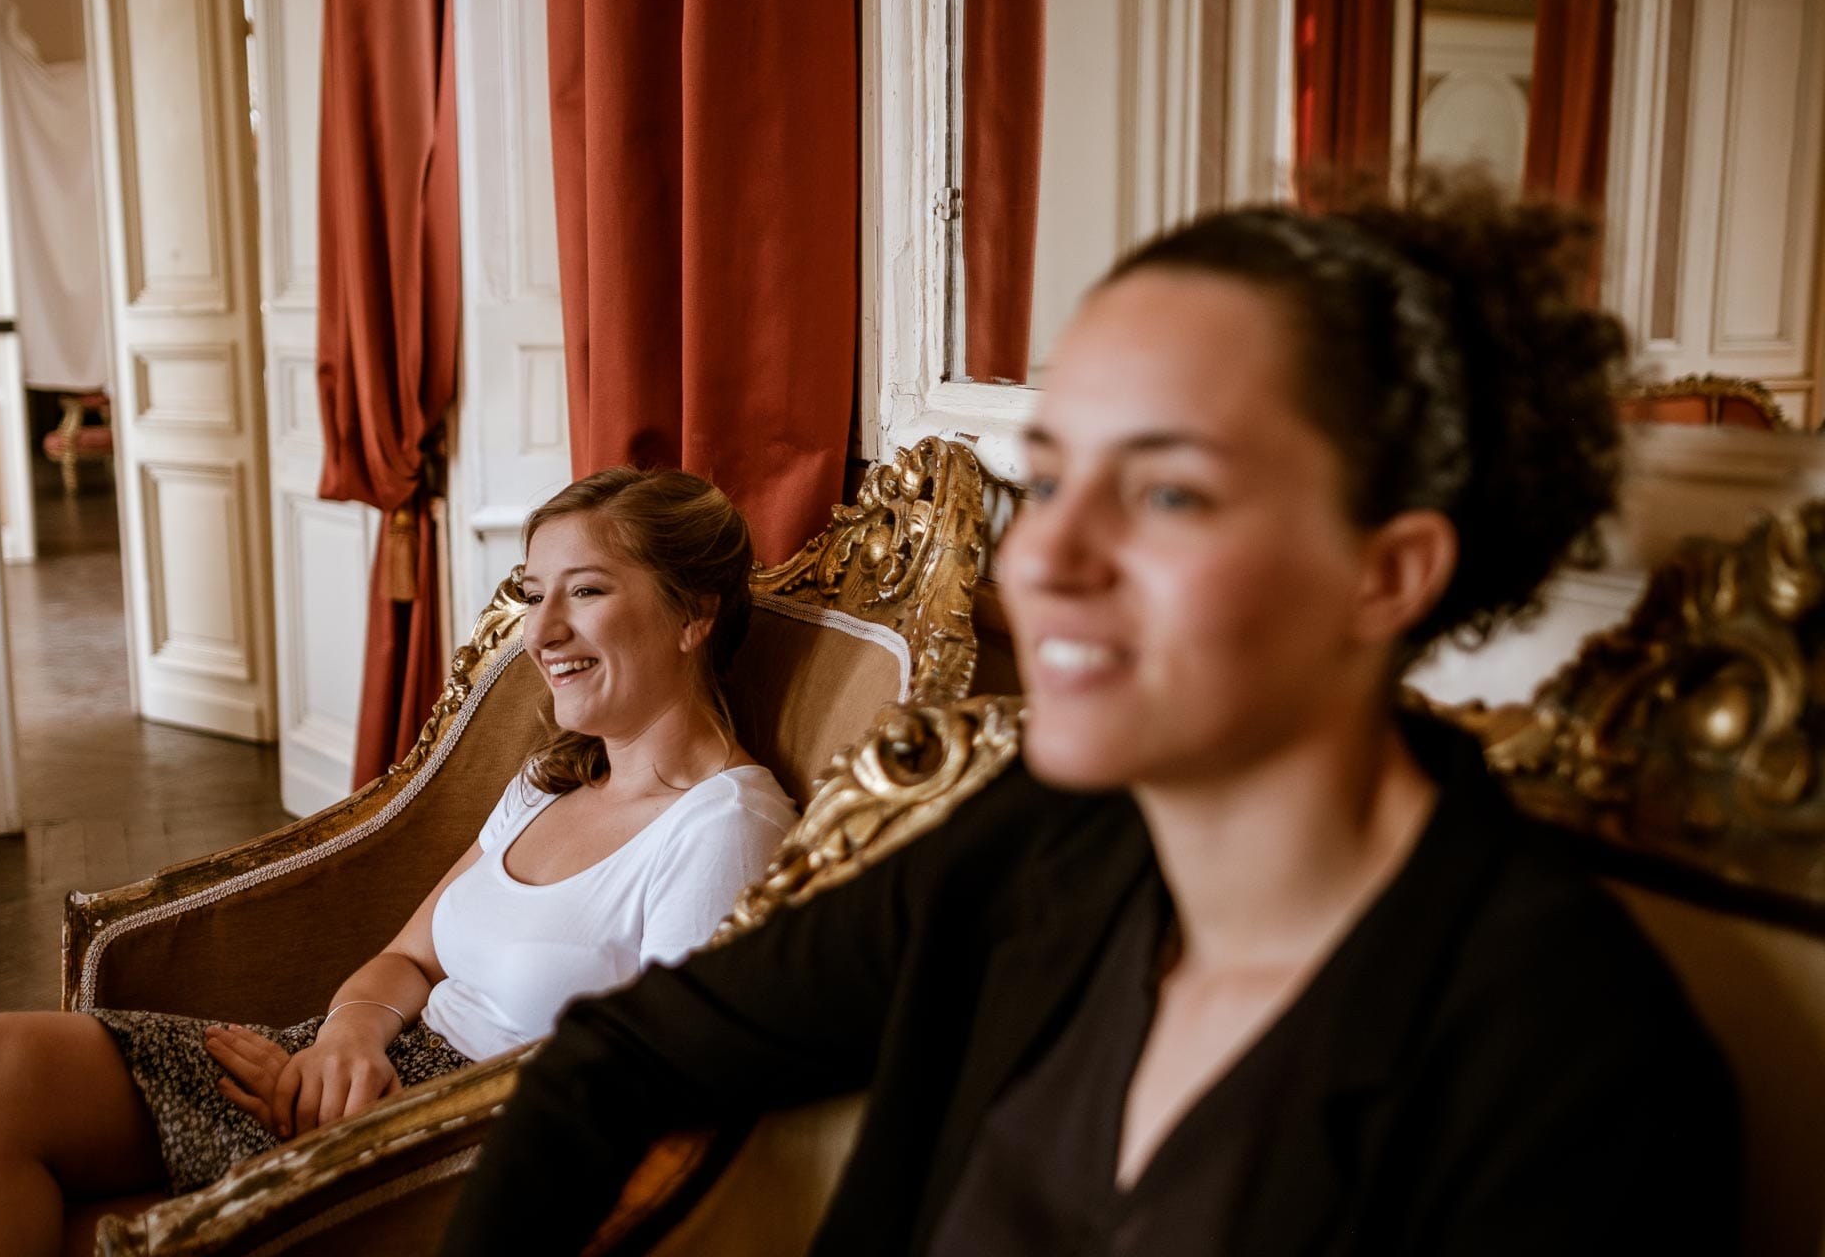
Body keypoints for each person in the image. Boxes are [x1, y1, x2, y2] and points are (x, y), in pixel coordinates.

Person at [440, 185, 1742, 1256]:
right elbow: (618, 1056)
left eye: (1168, 494)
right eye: (1051, 479)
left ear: (1386, 573)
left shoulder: (1572, 1062)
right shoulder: (1038, 846)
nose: (1045, 559)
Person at [0, 468, 799, 1257]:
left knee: (77, 1229)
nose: (540, 633)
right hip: (350, 1072)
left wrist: (379, 1127)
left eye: (585, 591)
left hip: (449, 1149)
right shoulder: (553, 780)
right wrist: (344, 1042)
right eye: (533, 592)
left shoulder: (722, 832)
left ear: (692, 613)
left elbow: (659, 1106)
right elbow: (408, 960)